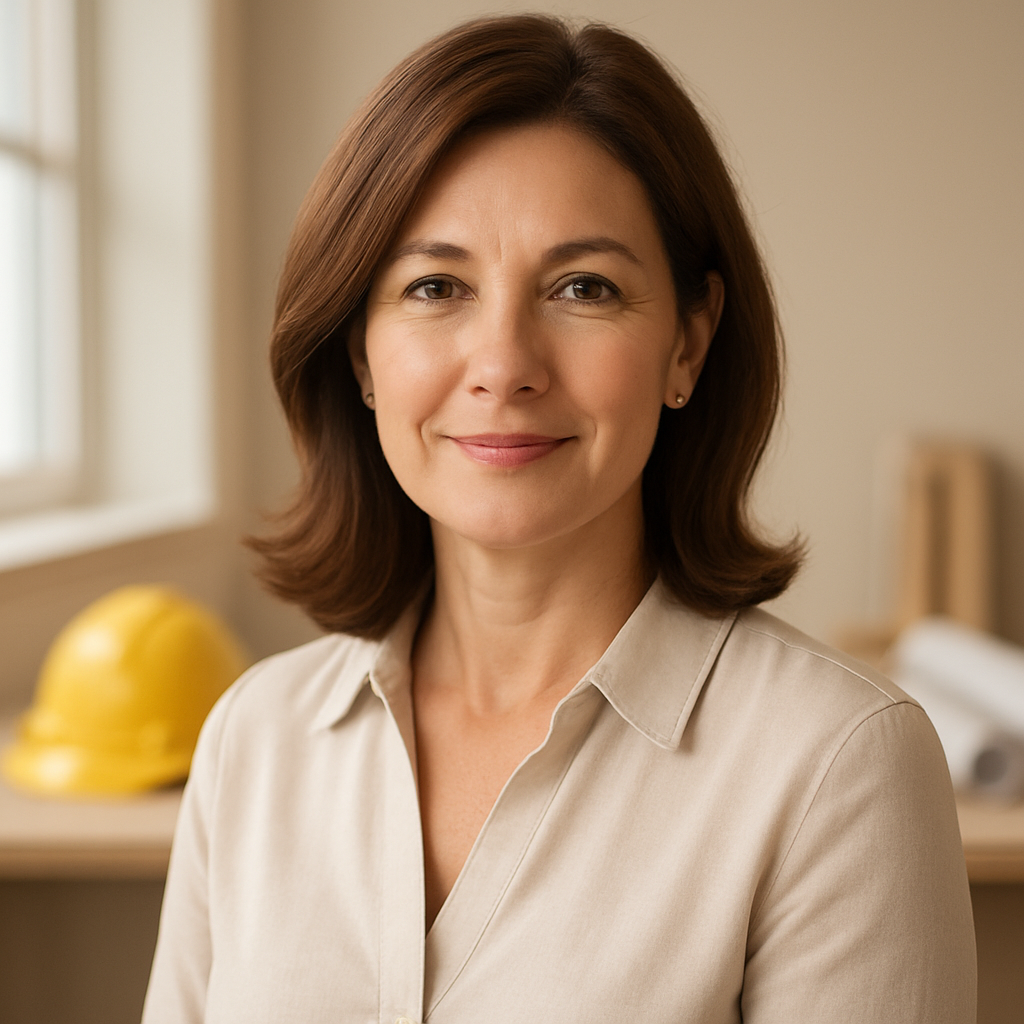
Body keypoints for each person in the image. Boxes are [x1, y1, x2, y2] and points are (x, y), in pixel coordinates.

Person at [143, 15, 976, 1023]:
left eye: (584, 287)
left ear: (687, 344)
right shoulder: (254, 738)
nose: (503, 364)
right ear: (361, 353)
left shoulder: (839, 763)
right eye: (434, 286)